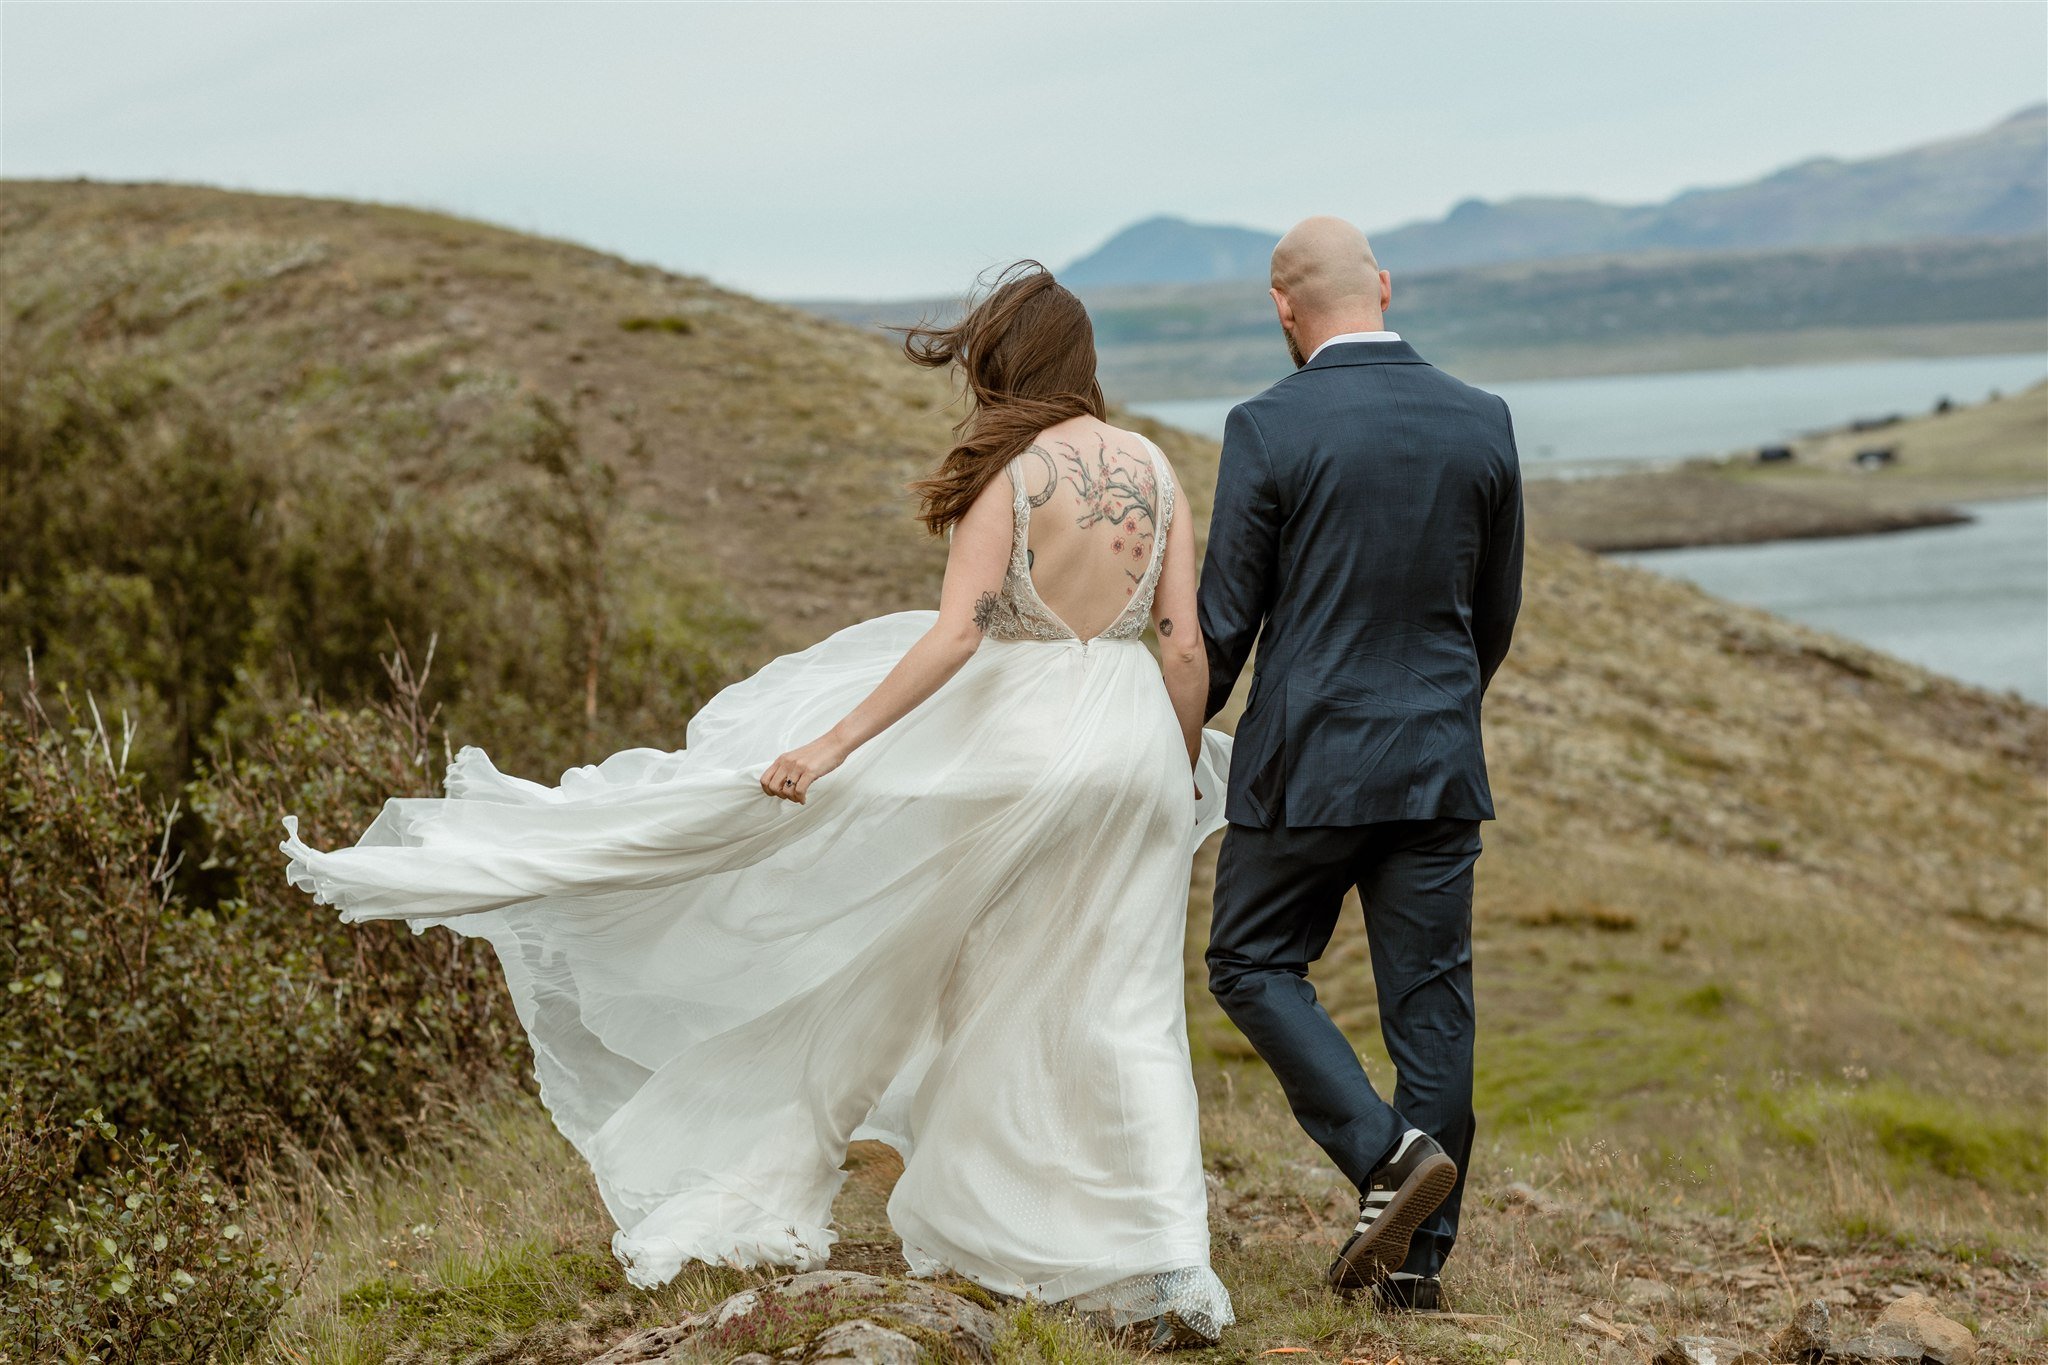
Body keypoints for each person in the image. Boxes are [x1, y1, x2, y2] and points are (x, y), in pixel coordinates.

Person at [279, 261, 1235, 1349]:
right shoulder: (1155, 468)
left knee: (986, 985)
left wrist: (833, 743)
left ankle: (1015, 1233)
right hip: (1132, 747)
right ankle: (1168, 1261)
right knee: (1124, 1003)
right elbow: (1183, 648)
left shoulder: (1011, 475)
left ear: (1004, 363)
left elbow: (958, 636)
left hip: (1021, 750)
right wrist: (1174, 765)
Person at [1198, 216, 1525, 1312]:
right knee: (1431, 1008)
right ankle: (1416, 1269)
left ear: (1282, 308)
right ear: (1383, 286)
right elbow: (1493, 615)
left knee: (1249, 960)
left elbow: (1224, 625)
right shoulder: (1482, 420)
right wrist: (1436, 714)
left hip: (1304, 766)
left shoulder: (1266, 425)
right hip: (1437, 762)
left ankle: (1386, 1160)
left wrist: (1166, 734)